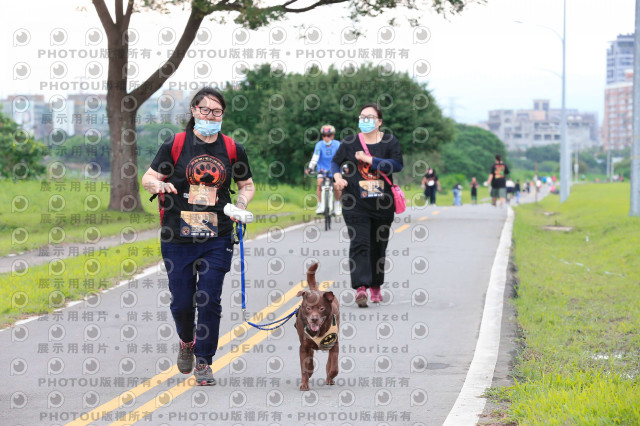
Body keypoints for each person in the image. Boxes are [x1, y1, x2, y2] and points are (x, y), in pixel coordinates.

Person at [141, 87, 255, 386]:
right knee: (182, 302)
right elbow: (148, 177)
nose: (211, 116)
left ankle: (204, 360)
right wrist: (158, 186)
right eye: (205, 110)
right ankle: (187, 341)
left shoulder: (232, 148)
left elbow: (246, 184)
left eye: (217, 112)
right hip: (177, 236)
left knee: (209, 299)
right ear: (194, 111)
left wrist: (241, 206)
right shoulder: (176, 144)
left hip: (217, 235)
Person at [332, 103, 403, 308]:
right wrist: (338, 177)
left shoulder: (390, 141)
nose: (365, 120)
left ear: (379, 121)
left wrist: (369, 159)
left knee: (378, 246)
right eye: (362, 117)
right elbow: (336, 162)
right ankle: (361, 287)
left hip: (382, 204)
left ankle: (376, 285)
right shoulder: (349, 142)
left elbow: (397, 165)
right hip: (355, 202)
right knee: (360, 243)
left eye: (370, 117)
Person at [305, 124, 342, 215]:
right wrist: (310, 167)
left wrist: (345, 167)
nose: (326, 138)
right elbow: (315, 157)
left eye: (328, 135)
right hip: (322, 169)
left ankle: (337, 204)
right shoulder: (319, 145)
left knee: (336, 186)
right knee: (319, 182)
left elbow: (342, 157)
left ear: (332, 136)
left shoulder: (337, 144)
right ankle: (320, 204)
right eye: (324, 135)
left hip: (335, 169)